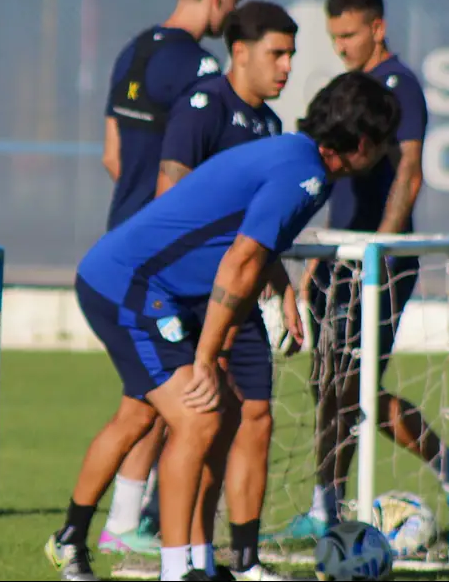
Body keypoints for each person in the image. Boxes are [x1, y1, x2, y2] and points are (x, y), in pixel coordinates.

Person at [60, 71, 401, 582]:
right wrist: (204, 357)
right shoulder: (303, 176)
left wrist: (285, 291)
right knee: (197, 418)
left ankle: (196, 560)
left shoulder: (297, 158)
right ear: (359, 143)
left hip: (160, 291)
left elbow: (251, 242)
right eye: (384, 144)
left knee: (216, 416)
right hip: (129, 285)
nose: (386, 155)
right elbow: (241, 260)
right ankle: (173, 570)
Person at [270, 0, 449, 544]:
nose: (341, 46)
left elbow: (410, 171)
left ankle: (447, 472)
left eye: (348, 34)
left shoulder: (401, 87)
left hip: (377, 262)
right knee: (331, 384)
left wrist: (380, 250)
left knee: (351, 385)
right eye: (334, 37)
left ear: (377, 28)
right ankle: (329, 504)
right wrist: (320, 259)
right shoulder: (353, 89)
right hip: (340, 254)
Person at [88, 0, 252, 564]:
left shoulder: (134, 49)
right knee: (184, 395)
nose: (230, 17)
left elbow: (112, 154)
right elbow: (202, 177)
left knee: (152, 396)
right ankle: (108, 526)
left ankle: (125, 520)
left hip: (121, 240)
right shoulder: (203, 73)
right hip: (168, 255)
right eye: (231, 3)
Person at [142, 0, 301, 582]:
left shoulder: (271, 126)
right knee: (198, 422)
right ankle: (176, 560)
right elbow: (168, 199)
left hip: (244, 295)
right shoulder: (204, 107)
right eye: (275, 54)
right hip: (198, 297)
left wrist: (281, 289)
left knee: (254, 418)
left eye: (291, 55)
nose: (285, 67)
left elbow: (264, 228)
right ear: (240, 52)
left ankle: (244, 561)